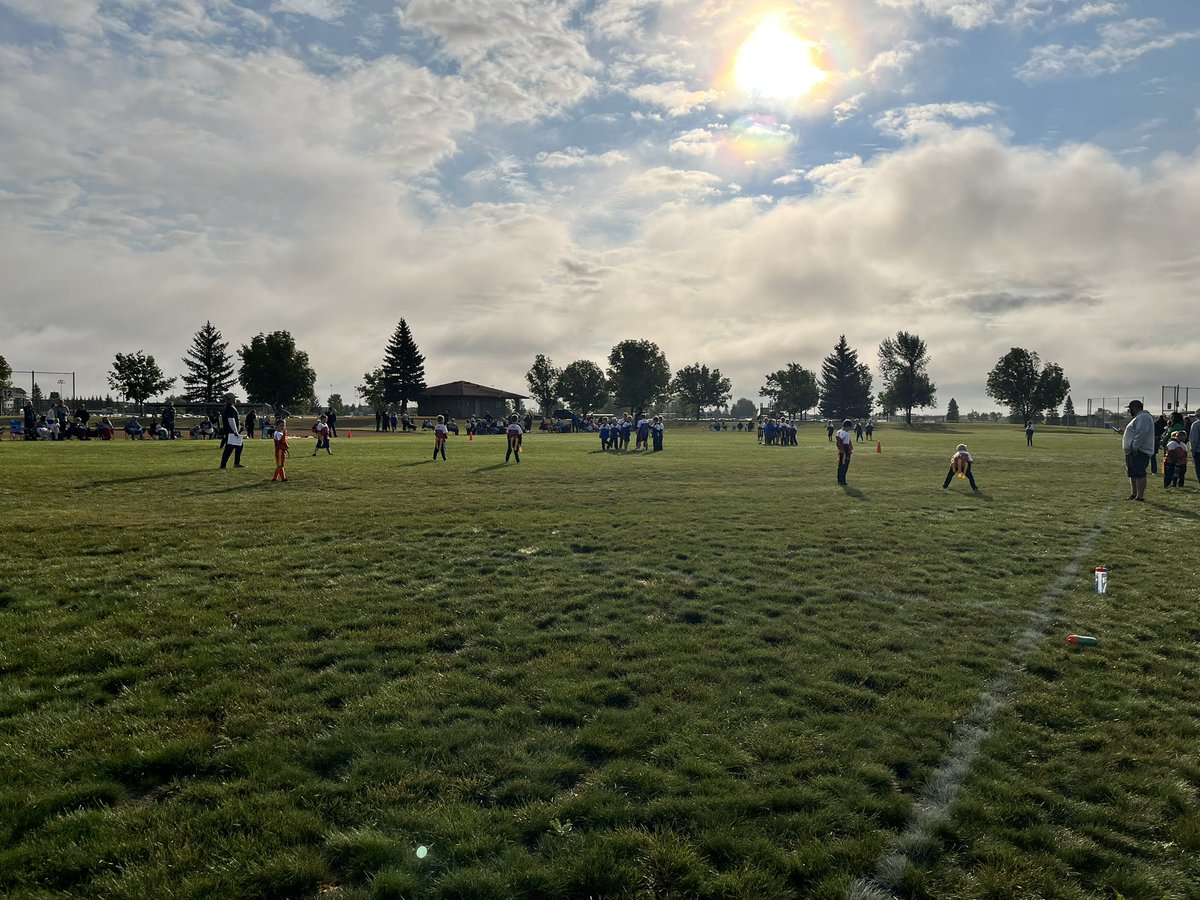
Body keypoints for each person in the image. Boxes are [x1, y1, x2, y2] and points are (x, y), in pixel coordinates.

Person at [1122, 400, 1154, 501]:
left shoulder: (1143, 417)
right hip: (1133, 450)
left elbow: (1142, 432)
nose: (1129, 411)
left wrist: (1135, 446)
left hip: (1139, 450)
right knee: (1133, 473)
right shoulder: (1138, 417)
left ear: (1135, 408)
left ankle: (1139, 496)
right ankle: (1134, 494)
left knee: (1139, 473)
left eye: (1130, 408)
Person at [219, 395, 245, 469]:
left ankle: (236, 463)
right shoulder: (230, 408)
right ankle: (224, 465)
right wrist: (235, 431)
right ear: (229, 399)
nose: (235, 400)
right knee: (229, 448)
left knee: (239, 446)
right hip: (231, 431)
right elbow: (231, 420)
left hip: (229, 431)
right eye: (233, 398)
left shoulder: (228, 407)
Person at [835, 418, 854, 485]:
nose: (849, 429)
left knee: (840, 466)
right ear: (848, 426)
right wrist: (848, 455)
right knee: (844, 467)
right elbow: (846, 445)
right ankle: (843, 480)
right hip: (845, 452)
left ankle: (839, 479)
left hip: (840, 451)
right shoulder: (846, 434)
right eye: (849, 427)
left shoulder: (838, 432)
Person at [1191, 414, 1200, 487]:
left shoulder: (1196, 425)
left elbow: (1194, 439)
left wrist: (1192, 450)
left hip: (1198, 451)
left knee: (1199, 469)